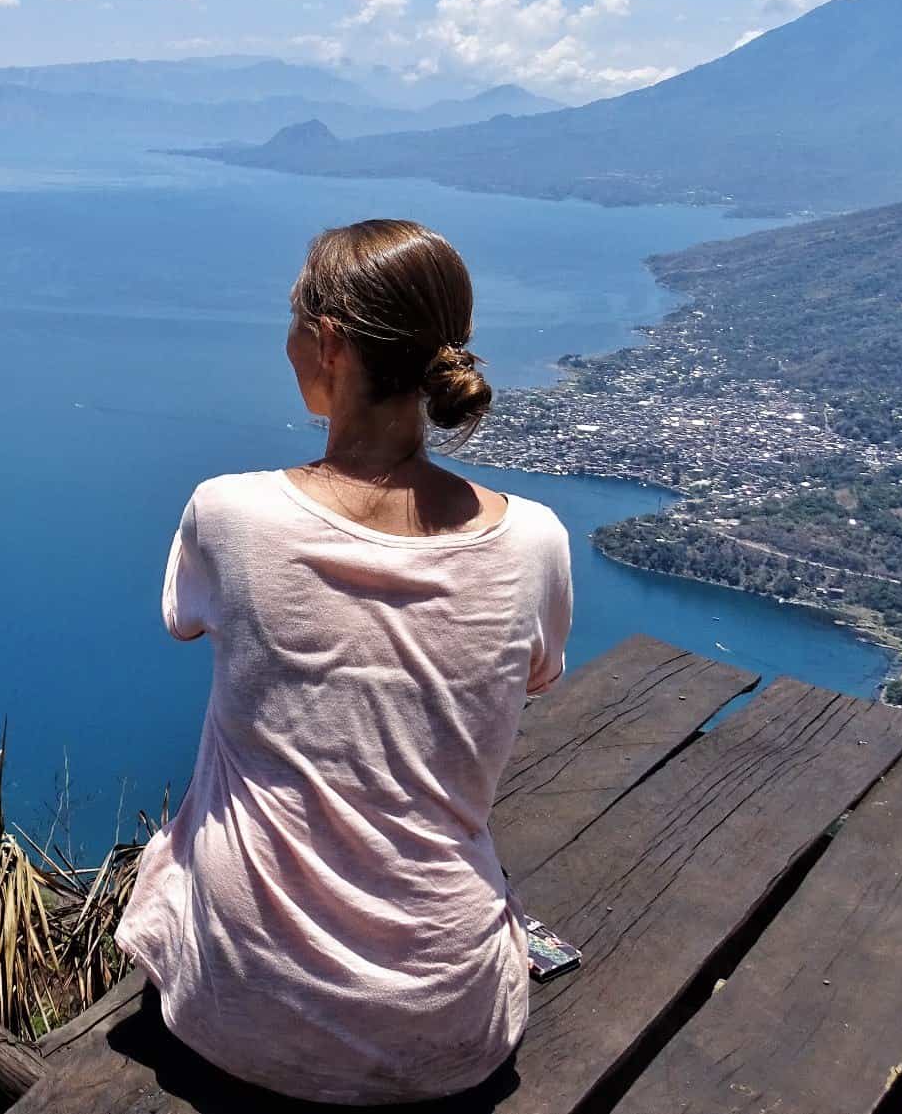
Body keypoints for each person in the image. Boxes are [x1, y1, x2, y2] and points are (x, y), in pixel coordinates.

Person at [115, 219, 573, 1106]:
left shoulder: (230, 515)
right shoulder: (537, 544)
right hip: (450, 1025)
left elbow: (186, 617)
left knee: (183, 846)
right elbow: (534, 674)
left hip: (237, 1010)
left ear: (327, 343)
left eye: (294, 320)